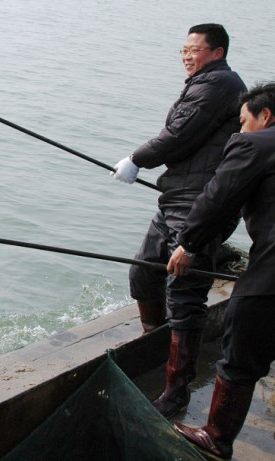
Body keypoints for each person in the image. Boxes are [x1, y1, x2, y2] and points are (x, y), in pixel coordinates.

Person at [110, 23, 247, 418]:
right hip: (176, 198)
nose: (187, 55)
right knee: (143, 274)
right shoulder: (208, 81)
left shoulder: (216, 84)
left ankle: (176, 390)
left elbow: (179, 133)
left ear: (217, 52)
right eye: (183, 50)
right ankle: (154, 343)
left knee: (185, 297)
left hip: (199, 204)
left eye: (195, 49)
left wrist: (137, 160)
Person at [166, 82, 275, 460]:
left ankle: (215, 436)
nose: (240, 131)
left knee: (241, 348)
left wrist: (189, 244)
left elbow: (217, 197)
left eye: (244, 122)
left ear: (266, 117)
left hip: (271, 273)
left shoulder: (255, 144)